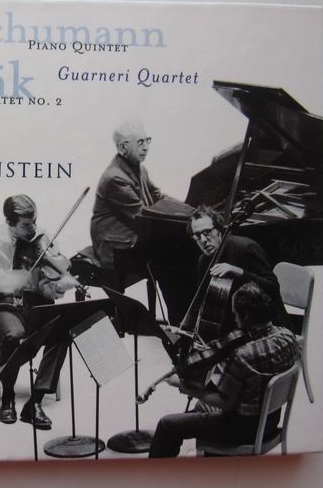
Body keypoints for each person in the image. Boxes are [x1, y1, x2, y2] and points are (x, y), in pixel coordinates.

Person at [0, 195, 78, 430]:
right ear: (9, 222)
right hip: (4, 302)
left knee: (62, 332)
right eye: (25, 225)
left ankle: (35, 401)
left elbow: (48, 285)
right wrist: (5, 279)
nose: (33, 229)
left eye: (34, 222)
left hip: (37, 302)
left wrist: (58, 286)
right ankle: (8, 396)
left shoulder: (43, 237)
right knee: (13, 335)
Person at [148, 281, 299, 458]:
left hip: (243, 429)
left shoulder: (243, 356)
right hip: (270, 421)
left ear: (246, 316)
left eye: (235, 314)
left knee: (167, 425)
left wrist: (185, 387)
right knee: (199, 408)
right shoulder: (287, 336)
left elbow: (225, 403)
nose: (234, 319)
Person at [90, 118, 190, 324]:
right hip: (116, 244)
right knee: (169, 258)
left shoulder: (140, 169)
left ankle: (185, 315)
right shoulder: (114, 178)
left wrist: (191, 210)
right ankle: (179, 320)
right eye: (140, 142)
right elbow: (141, 216)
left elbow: (159, 197)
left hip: (133, 233)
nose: (146, 147)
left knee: (180, 249)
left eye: (147, 140)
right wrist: (185, 220)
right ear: (123, 147)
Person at [182, 205, 293, 335]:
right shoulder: (203, 261)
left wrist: (239, 272)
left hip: (268, 329)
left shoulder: (245, 248)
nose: (203, 240)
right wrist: (184, 328)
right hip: (236, 330)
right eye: (197, 235)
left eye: (207, 232)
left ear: (219, 230)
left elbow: (272, 287)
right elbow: (202, 301)